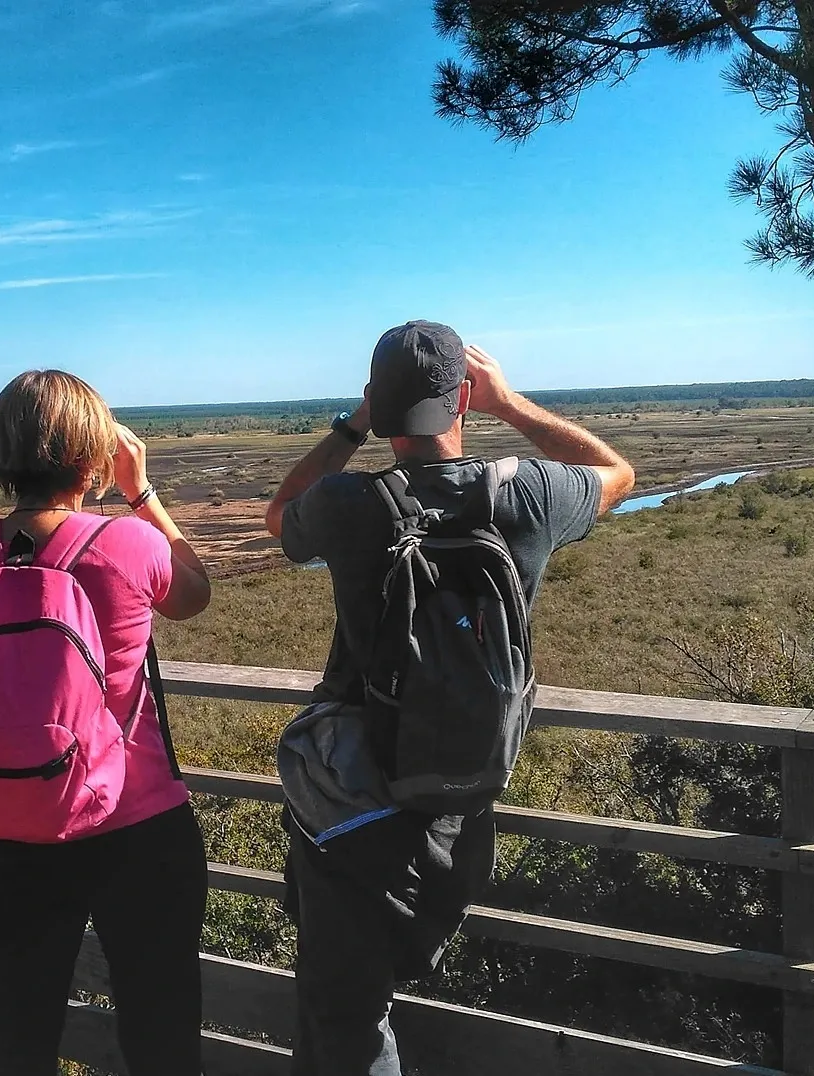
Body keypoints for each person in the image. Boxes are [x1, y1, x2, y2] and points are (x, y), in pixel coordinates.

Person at [265, 322, 635, 1075]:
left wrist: (351, 426)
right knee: (377, 1000)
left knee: (348, 1014)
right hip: (462, 800)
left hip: (354, 799)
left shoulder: (347, 502)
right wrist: (509, 405)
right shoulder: (525, 494)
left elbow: (280, 519)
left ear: (378, 405)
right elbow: (618, 473)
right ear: (463, 395)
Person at [0, 370, 214, 1076]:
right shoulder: (128, 546)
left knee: (19, 1026)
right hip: (136, 823)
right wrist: (141, 492)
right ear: (91, 458)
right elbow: (194, 594)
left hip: (11, 821)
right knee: (161, 1026)